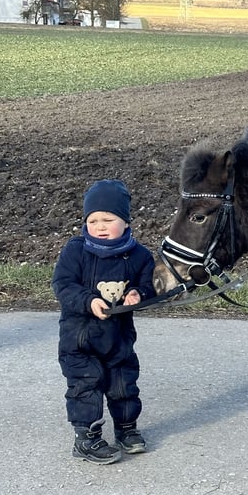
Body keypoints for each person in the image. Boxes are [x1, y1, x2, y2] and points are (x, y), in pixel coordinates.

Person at [52, 179, 156, 465]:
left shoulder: (139, 256)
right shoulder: (76, 251)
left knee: (124, 383)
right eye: (93, 220)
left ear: (125, 221)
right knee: (86, 384)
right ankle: (86, 436)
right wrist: (88, 300)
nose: (99, 225)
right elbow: (62, 284)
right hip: (79, 339)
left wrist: (139, 293)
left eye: (108, 219)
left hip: (119, 337)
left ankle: (126, 429)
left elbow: (150, 284)